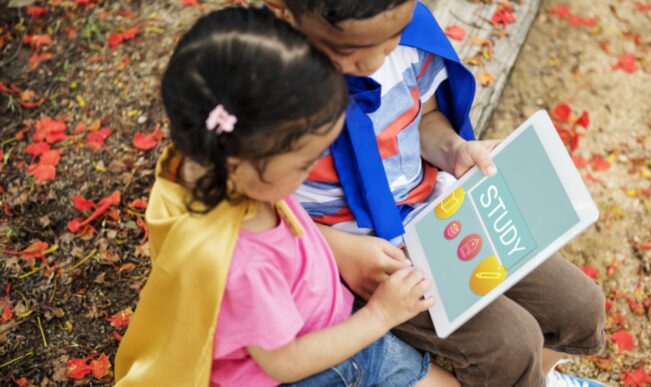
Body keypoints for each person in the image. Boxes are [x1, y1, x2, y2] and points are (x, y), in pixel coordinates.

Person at [263, 1, 607, 385]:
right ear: (283, 11)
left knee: (577, 304)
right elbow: (248, 205)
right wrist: (337, 251)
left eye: (390, 41)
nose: (377, 62)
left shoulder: (405, 37)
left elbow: (424, 119)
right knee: (510, 342)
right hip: (349, 258)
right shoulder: (264, 89)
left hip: (434, 216)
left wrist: (455, 150)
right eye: (352, 51)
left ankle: (539, 377)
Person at [114, 7, 459, 386]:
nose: (312, 173)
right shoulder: (241, 265)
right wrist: (379, 316)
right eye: (304, 164)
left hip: (335, 326)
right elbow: (286, 363)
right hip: (323, 366)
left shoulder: (236, 174)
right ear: (241, 161)